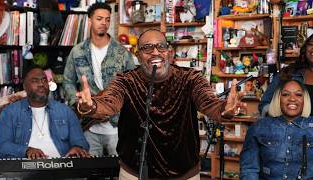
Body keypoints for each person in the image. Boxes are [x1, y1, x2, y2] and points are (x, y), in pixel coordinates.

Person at [76, 29, 246, 179]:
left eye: (161, 46)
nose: (155, 52)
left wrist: (225, 110)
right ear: (137, 54)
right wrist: (90, 107)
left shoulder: (191, 78)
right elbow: (109, 103)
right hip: (135, 172)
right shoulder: (126, 81)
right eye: (147, 48)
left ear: (169, 52)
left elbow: (209, 103)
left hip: (184, 173)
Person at [63, 2, 136, 157]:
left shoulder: (122, 53)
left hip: (117, 126)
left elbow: (134, 86)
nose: (104, 23)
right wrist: (77, 103)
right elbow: (67, 81)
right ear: (90, 20)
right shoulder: (77, 52)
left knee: (119, 171)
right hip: (88, 127)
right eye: (99, 18)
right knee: (90, 171)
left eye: (108, 19)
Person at [0, 67, 89, 159]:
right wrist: (26, 151)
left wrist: (78, 148)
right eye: (35, 81)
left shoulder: (65, 111)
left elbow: (81, 142)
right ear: (25, 86)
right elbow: (0, 148)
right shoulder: (10, 112)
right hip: (25, 170)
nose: (41, 84)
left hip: (61, 169)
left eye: (44, 80)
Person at [240, 79, 313, 179]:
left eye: (298, 95)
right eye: (286, 94)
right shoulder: (259, 128)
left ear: (305, 99)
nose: (292, 99)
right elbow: (249, 169)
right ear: (278, 98)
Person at [259, 34, 313, 116]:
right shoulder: (288, 73)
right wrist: (282, 121)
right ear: (305, 48)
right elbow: (264, 104)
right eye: (311, 44)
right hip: (289, 128)